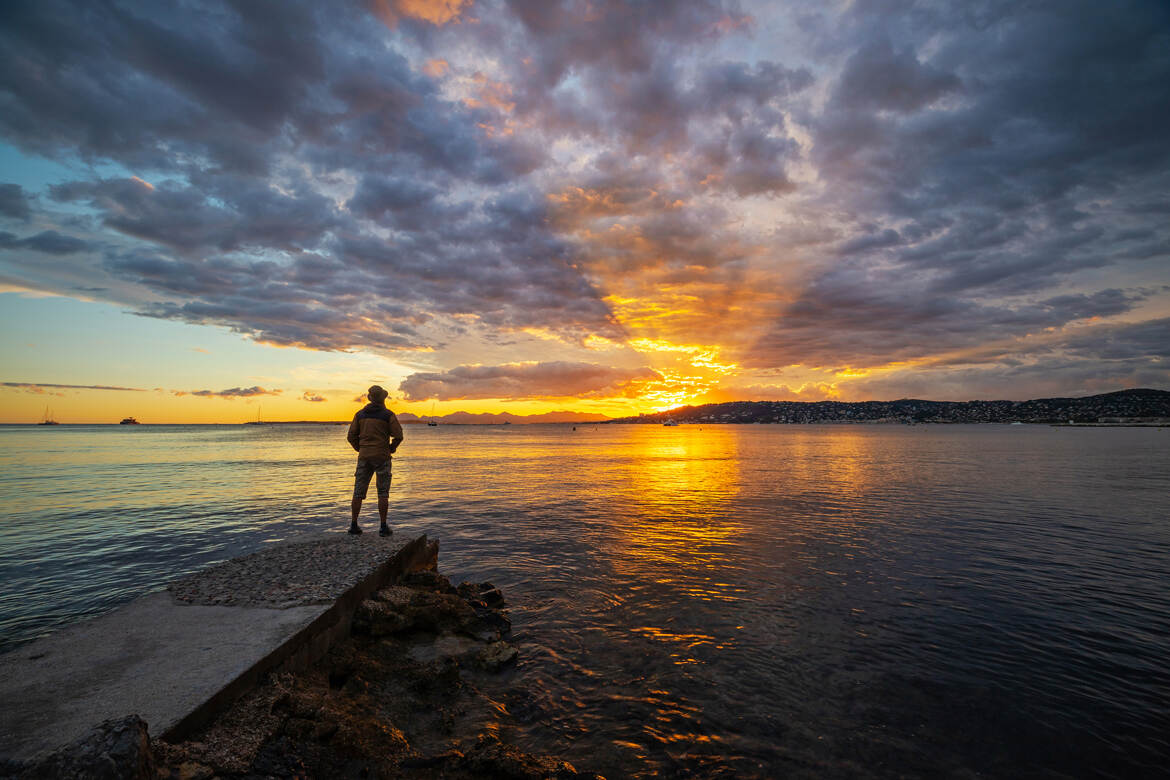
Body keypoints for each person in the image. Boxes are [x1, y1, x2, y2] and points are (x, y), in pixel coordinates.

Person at [346, 385, 404, 536]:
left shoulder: (359, 415)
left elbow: (351, 436)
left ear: (370, 398)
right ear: (383, 398)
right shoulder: (388, 415)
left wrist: (360, 448)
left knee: (358, 491)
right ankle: (383, 527)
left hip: (364, 456)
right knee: (383, 493)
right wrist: (392, 447)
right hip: (382, 456)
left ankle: (354, 525)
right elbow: (398, 435)